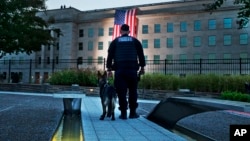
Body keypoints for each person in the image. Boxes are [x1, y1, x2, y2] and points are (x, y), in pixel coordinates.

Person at [106, 24, 146, 119]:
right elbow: (141, 55)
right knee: (133, 92)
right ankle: (132, 113)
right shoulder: (135, 41)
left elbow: (110, 56)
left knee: (121, 92)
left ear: (120, 31)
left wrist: (109, 69)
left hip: (120, 71)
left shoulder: (115, 42)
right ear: (129, 31)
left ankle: (123, 113)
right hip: (132, 71)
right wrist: (142, 67)